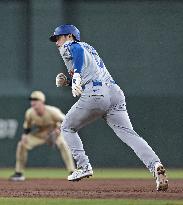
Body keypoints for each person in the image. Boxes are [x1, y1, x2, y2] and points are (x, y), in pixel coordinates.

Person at [49, 24, 168, 191]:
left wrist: (75, 74)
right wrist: (69, 81)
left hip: (96, 92)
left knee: (67, 127)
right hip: (114, 93)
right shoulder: (90, 48)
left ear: (70, 36)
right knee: (130, 134)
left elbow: (76, 51)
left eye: (58, 37)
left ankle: (83, 166)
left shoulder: (71, 45)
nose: (56, 42)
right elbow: (89, 71)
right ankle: (155, 164)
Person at [10, 91, 75, 181]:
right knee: (21, 144)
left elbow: (66, 121)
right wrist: (25, 135)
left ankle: (72, 171)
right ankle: (19, 173)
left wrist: (59, 129)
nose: (33, 102)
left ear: (42, 101)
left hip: (55, 132)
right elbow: (27, 126)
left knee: (63, 144)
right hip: (40, 134)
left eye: (35, 100)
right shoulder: (30, 113)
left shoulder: (52, 111)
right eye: (31, 100)